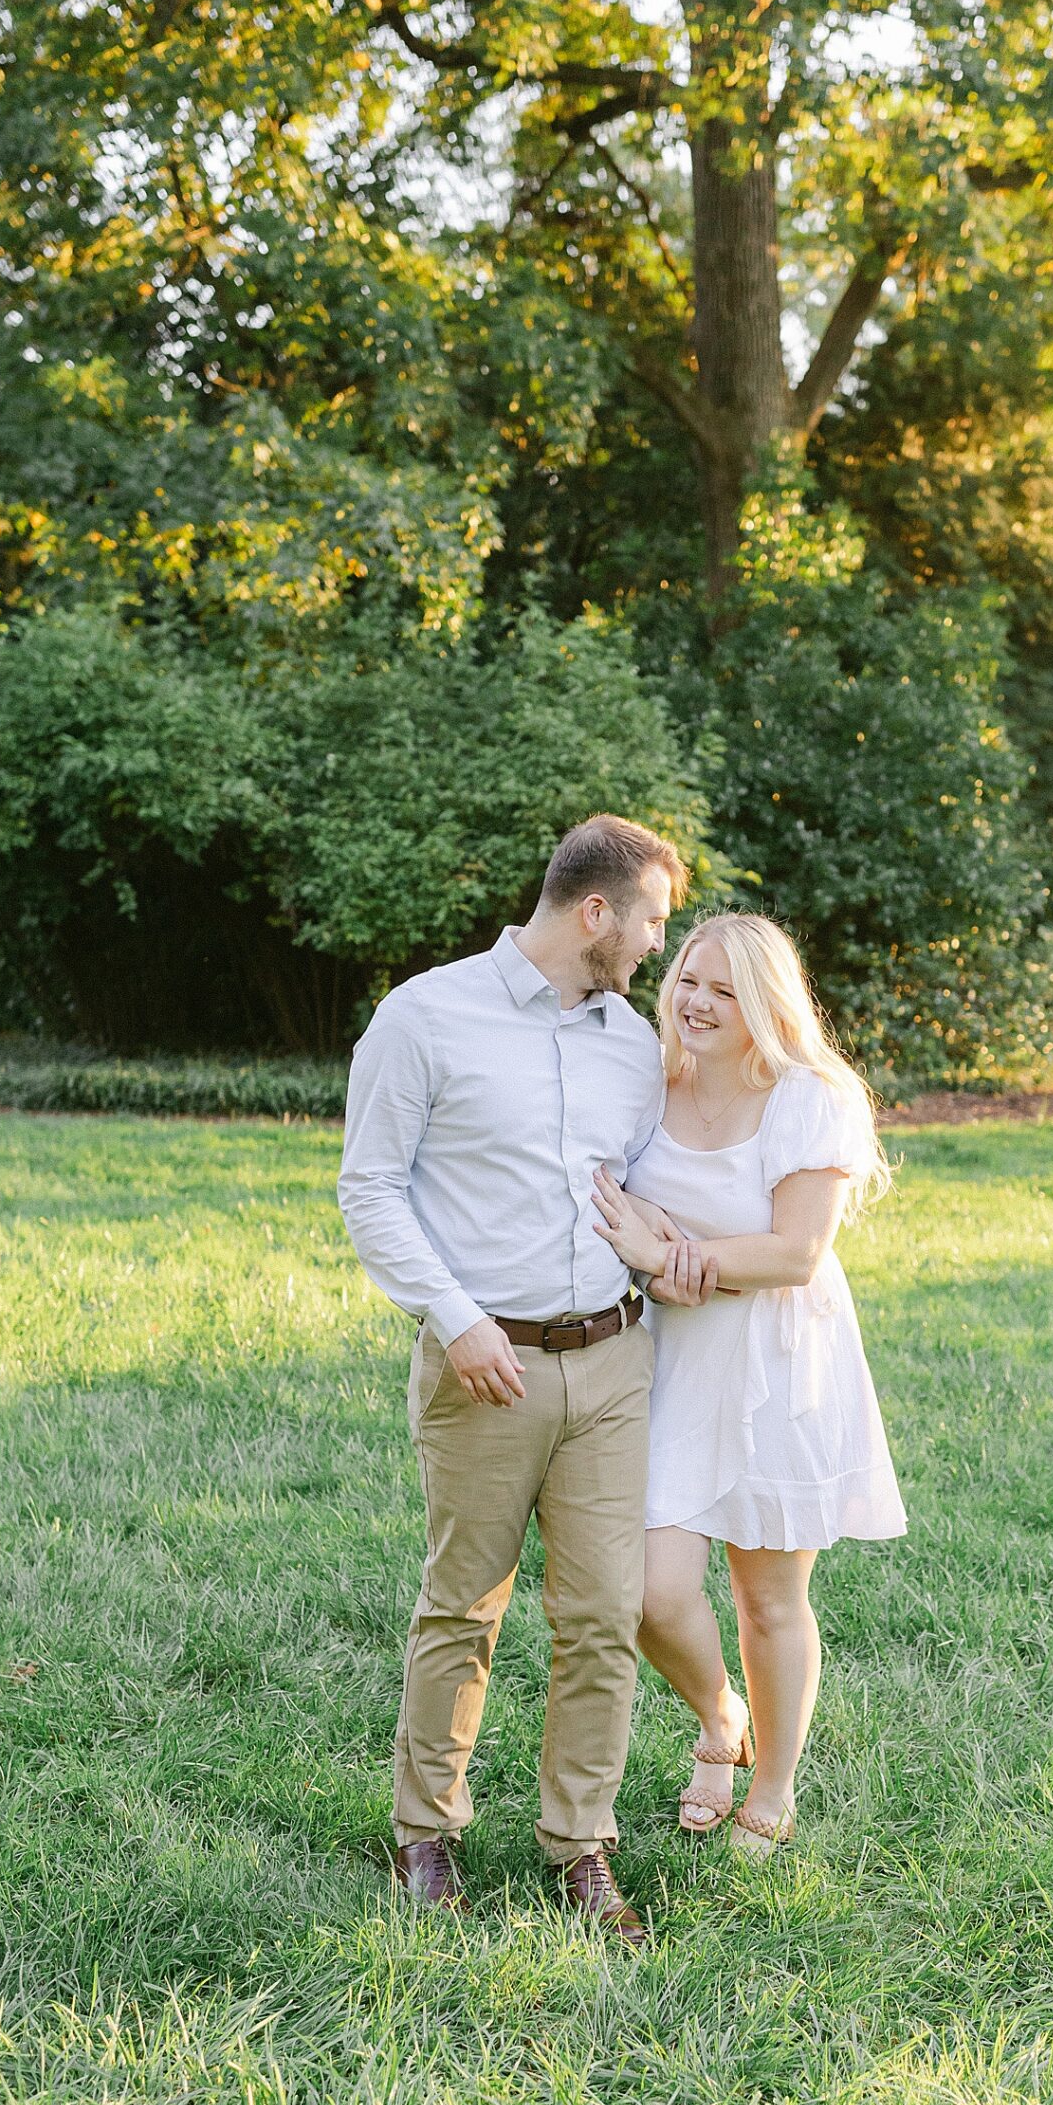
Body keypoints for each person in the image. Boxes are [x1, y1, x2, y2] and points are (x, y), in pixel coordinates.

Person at [336, 814, 704, 1945]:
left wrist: (673, 1242)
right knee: (465, 1604)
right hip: (481, 1367)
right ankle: (425, 1830)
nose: (653, 948)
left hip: (613, 1362)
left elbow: (640, 1178)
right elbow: (371, 1187)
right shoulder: (424, 1015)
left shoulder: (629, 1043)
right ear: (595, 913)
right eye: (649, 924)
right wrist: (454, 1321)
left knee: (605, 1610)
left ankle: (579, 1844)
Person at [590, 912, 905, 1856]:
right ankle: (721, 1716)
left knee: (768, 1597)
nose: (697, 1002)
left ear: (766, 1004)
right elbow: (611, 1194)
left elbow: (798, 1252)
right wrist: (655, 1248)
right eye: (689, 978)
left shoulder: (811, 1096)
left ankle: (772, 1785)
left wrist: (678, 1254)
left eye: (725, 990)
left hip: (779, 1362)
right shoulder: (646, 1081)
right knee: (648, 1593)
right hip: (673, 1359)